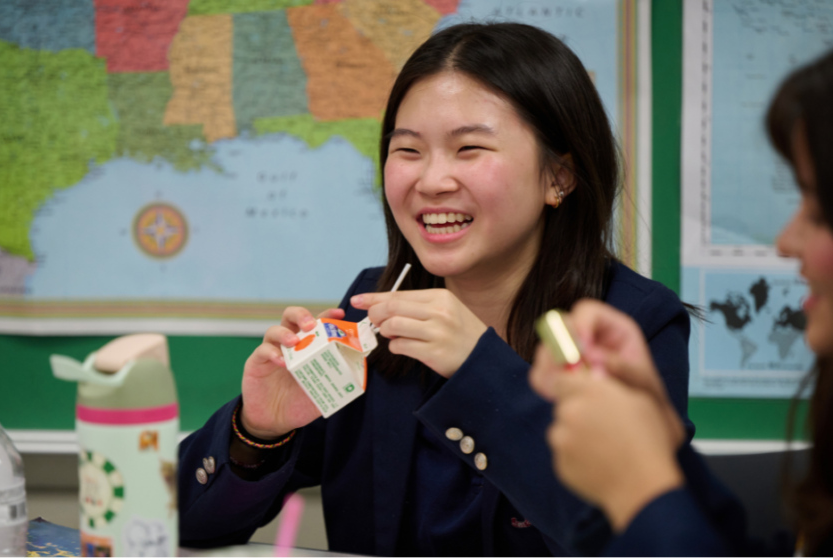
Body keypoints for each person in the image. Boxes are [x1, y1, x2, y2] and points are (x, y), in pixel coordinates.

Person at [178, 22, 693, 556]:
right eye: (408, 151)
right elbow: (181, 529)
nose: (430, 181)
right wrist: (258, 432)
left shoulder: (631, 325)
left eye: (469, 147)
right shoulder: (370, 311)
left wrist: (482, 372)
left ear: (558, 177)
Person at [529, 48, 833, 556]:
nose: (785, 240)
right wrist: (660, 440)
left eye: (820, 212)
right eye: (407, 150)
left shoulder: (646, 311)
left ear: (561, 176)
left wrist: (638, 486)